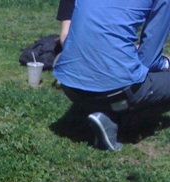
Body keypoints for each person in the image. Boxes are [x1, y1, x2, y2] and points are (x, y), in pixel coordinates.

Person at [53, 0, 170, 151]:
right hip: (115, 91)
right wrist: (165, 63)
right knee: (139, 79)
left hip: (69, 85)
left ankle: (102, 111)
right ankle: (115, 121)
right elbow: (149, 61)